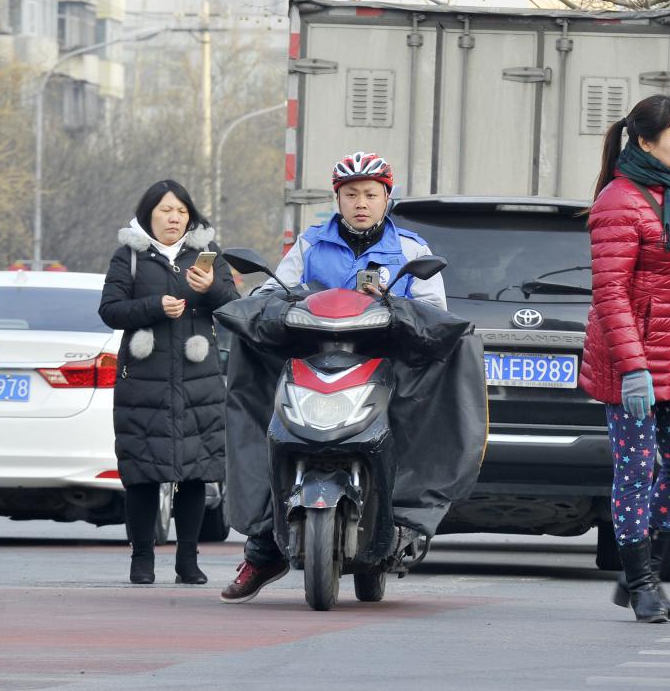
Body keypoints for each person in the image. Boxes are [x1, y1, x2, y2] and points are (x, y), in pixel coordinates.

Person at [220, 151, 446, 603]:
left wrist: (388, 300)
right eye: (350, 195)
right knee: (267, 426)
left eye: (370, 194)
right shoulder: (309, 245)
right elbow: (271, 294)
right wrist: (287, 301)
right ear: (336, 199)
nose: (361, 203)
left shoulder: (411, 250)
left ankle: (405, 518)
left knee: (420, 420)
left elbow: (435, 313)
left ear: (387, 199)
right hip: (310, 364)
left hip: (384, 369)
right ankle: (263, 548)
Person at [578, 95, 670, 624]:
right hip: (630, 363)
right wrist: (635, 367)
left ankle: (646, 573)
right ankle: (639, 583)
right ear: (644, 141)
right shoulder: (619, 201)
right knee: (636, 469)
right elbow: (610, 293)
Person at [98, 179, 239, 585]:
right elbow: (109, 310)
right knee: (142, 470)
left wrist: (210, 290)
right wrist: (152, 307)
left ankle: (188, 561)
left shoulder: (208, 256)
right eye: (164, 210)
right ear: (148, 216)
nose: (173, 217)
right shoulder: (130, 257)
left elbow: (235, 308)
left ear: (190, 215)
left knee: (196, 470)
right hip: (144, 381)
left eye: (180, 210)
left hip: (199, 380)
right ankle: (141, 559)